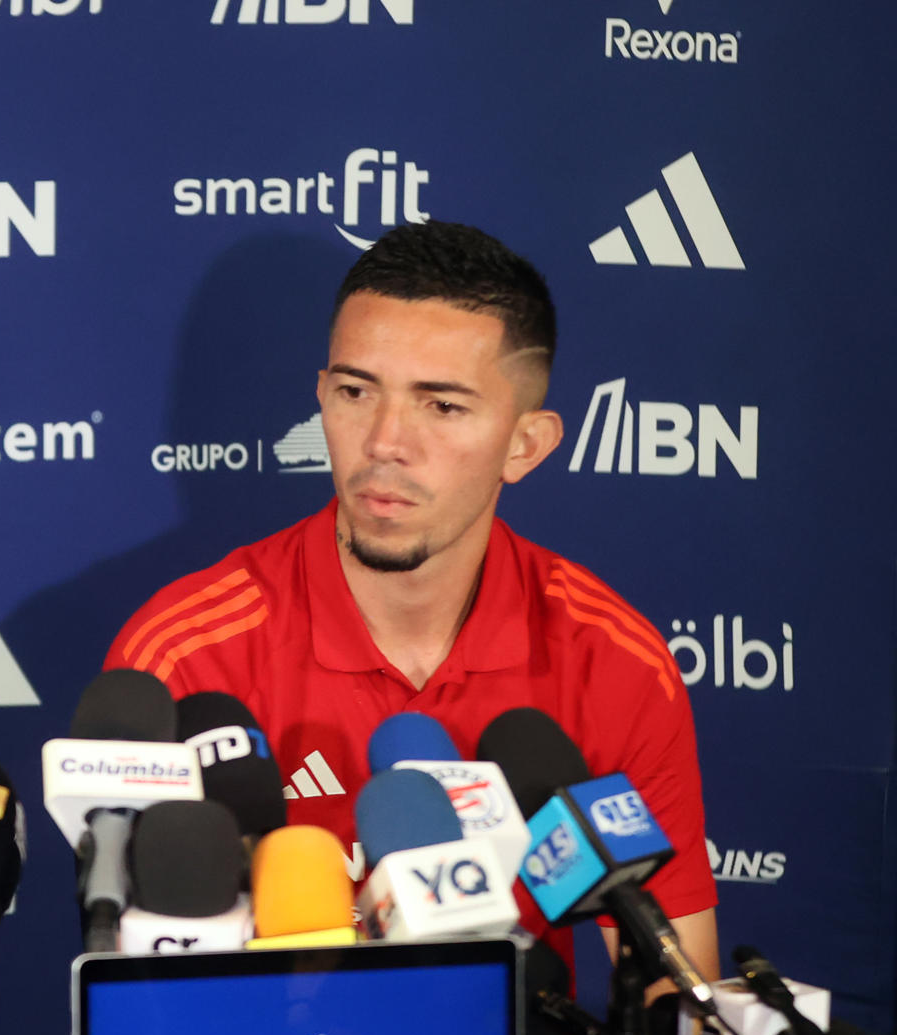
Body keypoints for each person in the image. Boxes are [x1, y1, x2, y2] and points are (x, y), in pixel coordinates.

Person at [106, 221, 716, 980]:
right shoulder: (186, 657)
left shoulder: (614, 663)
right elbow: (151, 1011)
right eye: (356, 392)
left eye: (443, 406)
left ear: (525, 445)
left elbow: (672, 1003)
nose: (385, 441)